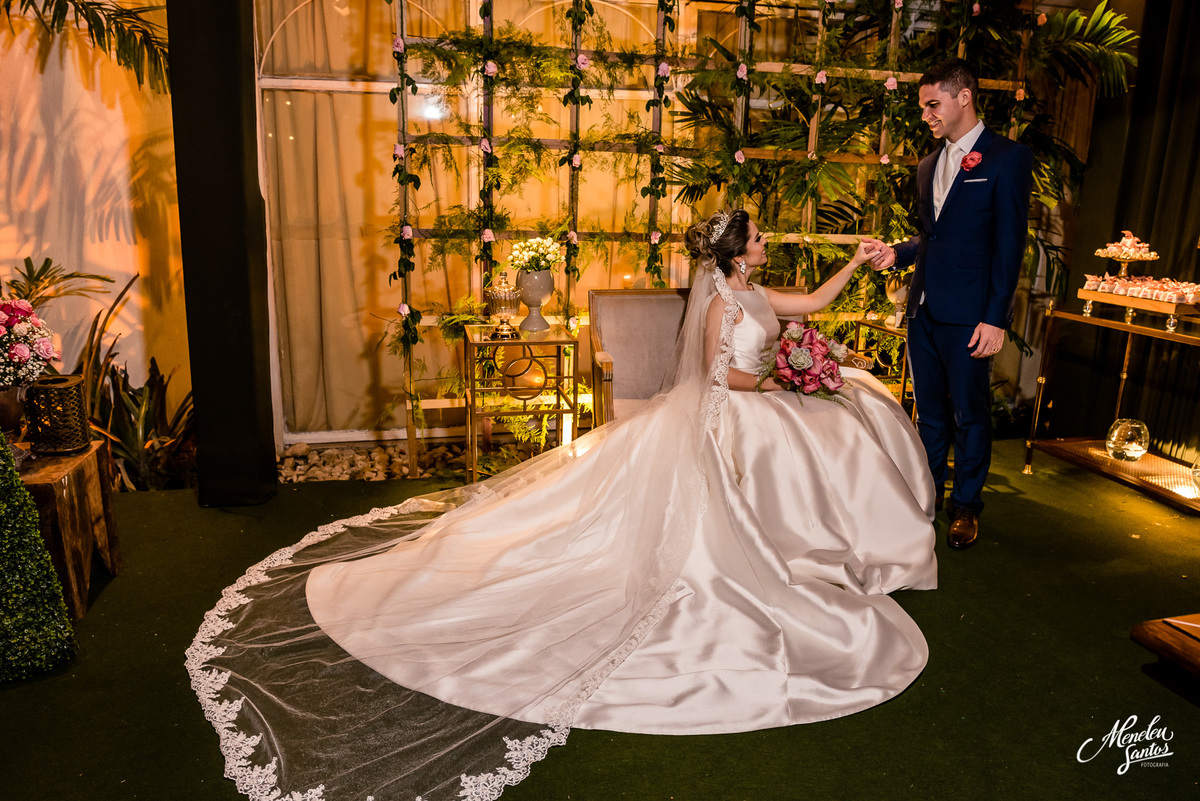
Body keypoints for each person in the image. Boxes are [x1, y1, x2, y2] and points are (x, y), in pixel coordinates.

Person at [187, 211, 938, 801]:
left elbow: (810, 302)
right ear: (736, 252)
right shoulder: (719, 308)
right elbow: (718, 378)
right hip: (732, 409)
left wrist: (853, 266)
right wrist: (774, 383)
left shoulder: (752, 292)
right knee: (783, 444)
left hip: (760, 400)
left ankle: (827, 541)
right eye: (759, 235)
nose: (767, 240)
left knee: (835, 420)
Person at [873, 59, 1034, 550]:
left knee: (970, 413)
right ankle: (925, 499)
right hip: (924, 311)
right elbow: (934, 237)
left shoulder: (1007, 158)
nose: (925, 114)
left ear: (963, 97)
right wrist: (895, 254)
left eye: (932, 104)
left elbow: (1009, 245)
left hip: (970, 316)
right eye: (923, 106)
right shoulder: (928, 165)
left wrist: (995, 318)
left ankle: (966, 506)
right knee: (929, 414)